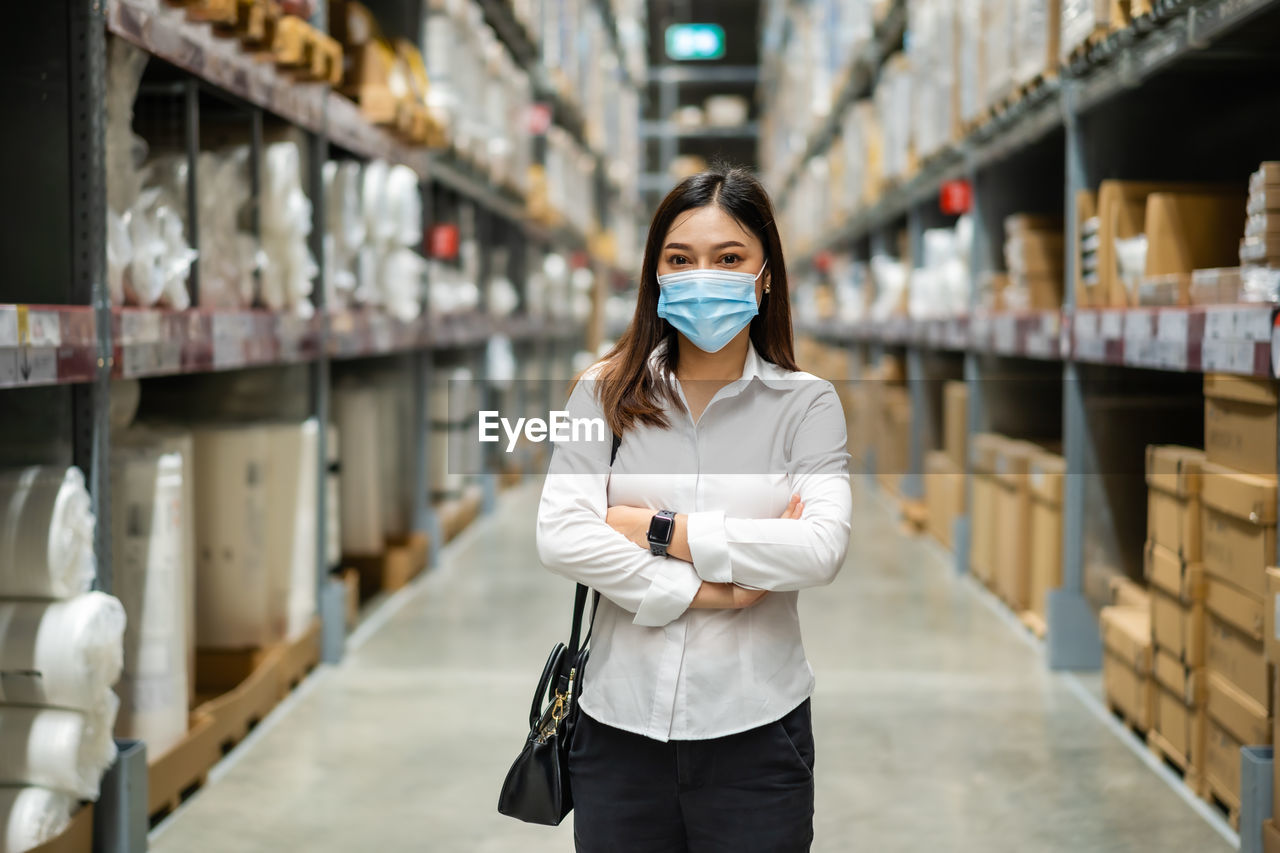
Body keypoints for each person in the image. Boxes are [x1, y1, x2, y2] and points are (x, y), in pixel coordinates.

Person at [535, 165, 853, 853]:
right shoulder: (601, 395)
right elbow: (560, 535)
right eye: (680, 259)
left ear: (765, 275)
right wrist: (711, 590)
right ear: (655, 274)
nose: (702, 275)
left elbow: (820, 548)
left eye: (729, 258)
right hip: (617, 736)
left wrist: (655, 529)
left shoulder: (808, 404)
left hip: (757, 738)